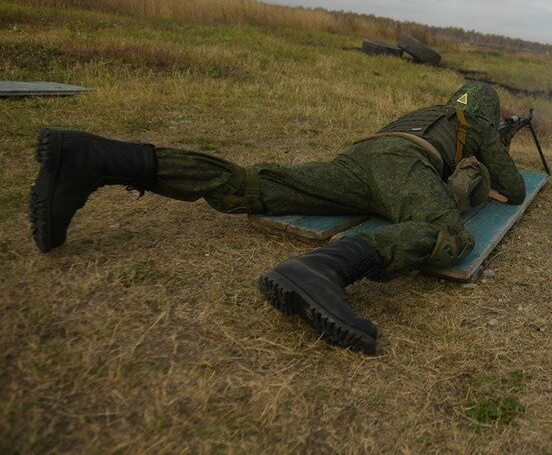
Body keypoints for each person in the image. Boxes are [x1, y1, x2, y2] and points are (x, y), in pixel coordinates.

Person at [28, 81, 526, 354]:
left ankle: (100, 158)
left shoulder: (428, 110)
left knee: (255, 184)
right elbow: (515, 186)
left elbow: (392, 158)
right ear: (485, 111)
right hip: (406, 167)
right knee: (448, 234)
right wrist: (490, 147)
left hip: (362, 158)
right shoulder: (475, 124)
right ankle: (322, 268)